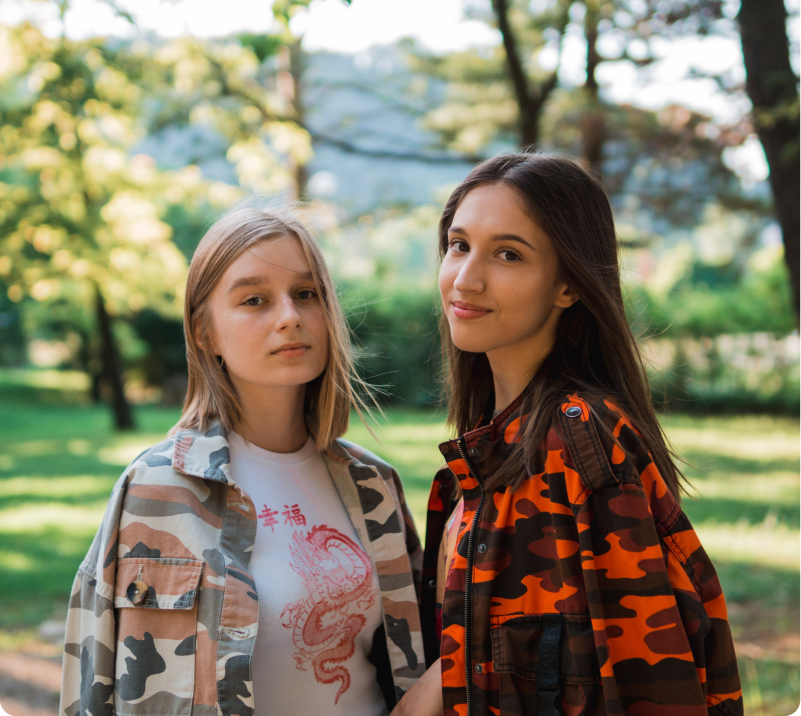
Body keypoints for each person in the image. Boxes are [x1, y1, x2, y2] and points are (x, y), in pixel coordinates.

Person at [394, 153, 743, 716]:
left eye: (508, 254)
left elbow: (649, 676)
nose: (466, 277)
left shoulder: (579, 442)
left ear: (568, 286)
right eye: (459, 245)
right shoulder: (487, 454)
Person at [60, 206, 425, 716]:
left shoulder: (373, 485)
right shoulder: (155, 488)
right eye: (255, 300)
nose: (289, 316)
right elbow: (91, 685)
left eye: (306, 294)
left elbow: (417, 666)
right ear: (205, 332)